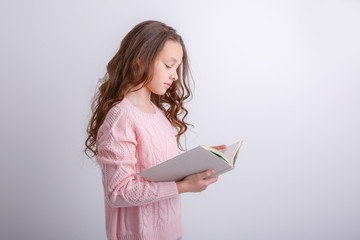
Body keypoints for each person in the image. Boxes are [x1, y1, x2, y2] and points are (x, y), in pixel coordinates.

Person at [85, 20, 225, 240]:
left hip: (173, 233)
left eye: (177, 68)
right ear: (141, 60)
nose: (175, 76)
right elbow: (118, 192)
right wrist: (183, 187)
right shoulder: (121, 117)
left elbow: (158, 171)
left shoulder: (156, 113)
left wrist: (201, 162)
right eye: (169, 65)